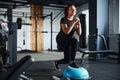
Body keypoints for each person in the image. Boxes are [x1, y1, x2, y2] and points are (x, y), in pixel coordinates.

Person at [53, 4, 82, 71]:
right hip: (61, 39)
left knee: (66, 60)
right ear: (68, 11)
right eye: (71, 9)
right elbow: (66, 32)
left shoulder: (75, 21)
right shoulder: (64, 19)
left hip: (69, 41)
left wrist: (79, 23)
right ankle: (72, 62)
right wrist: (74, 22)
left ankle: (57, 62)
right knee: (75, 41)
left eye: (74, 9)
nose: (73, 10)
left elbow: (79, 33)